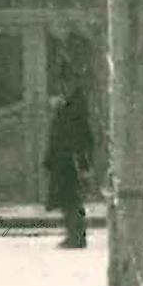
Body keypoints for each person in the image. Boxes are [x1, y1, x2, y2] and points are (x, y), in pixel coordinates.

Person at [43, 77, 94, 250]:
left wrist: (82, 163)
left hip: (69, 163)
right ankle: (74, 234)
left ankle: (76, 236)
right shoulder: (69, 111)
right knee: (69, 201)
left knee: (70, 200)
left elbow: (74, 138)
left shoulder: (70, 113)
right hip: (66, 161)